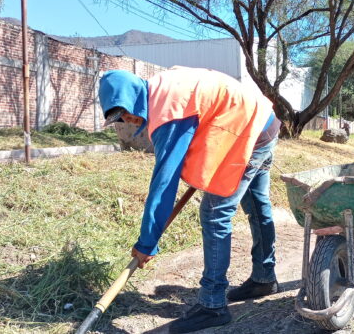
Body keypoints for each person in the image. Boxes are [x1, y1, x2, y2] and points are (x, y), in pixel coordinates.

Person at [98, 67, 281, 333]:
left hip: (249, 132)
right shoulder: (161, 87)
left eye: (125, 112)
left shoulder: (169, 112)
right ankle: (264, 276)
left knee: (215, 213)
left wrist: (147, 243)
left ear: (134, 96)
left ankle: (212, 305)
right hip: (263, 123)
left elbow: (164, 183)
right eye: (119, 118)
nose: (126, 119)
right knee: (256, 204)